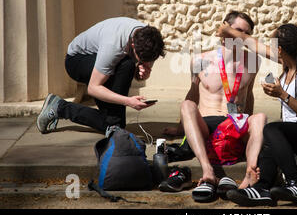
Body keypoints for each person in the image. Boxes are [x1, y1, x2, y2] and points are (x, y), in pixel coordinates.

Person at [218, 23, 297, 207]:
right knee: (269, 140)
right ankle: (262, 188)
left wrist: (282, 95)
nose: (269, 48)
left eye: (272, 45)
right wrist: (228, 31)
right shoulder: (286, 65)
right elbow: (251, 42)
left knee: (271, 128)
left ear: (280, 49)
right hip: (293, 135)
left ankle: (296, 185)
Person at [166, 11, 267, 202]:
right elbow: (192, 95)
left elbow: (249, 96)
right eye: (237, 31)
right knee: (187, 104)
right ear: (224, 29)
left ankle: (250, 172)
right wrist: (179, 128)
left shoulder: (253, 61)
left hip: (234, 125)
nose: (240, 37)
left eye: (245, 34)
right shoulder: (199, 60)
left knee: (260, 118)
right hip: (207, 124)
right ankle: (207, 170)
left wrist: (250, 130)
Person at [36, 16, 166, 134]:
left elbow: (138, 74)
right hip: (77, 60)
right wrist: (128, 101)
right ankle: (60, 108)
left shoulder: (149, 42)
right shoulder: (113, 46)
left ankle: (112, 124)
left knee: (116, 125)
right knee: (127, 65)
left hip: (104, 60)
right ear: (133, 45)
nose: (145, 62)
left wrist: (143, 72)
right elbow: (93, 88)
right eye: (141, 59)